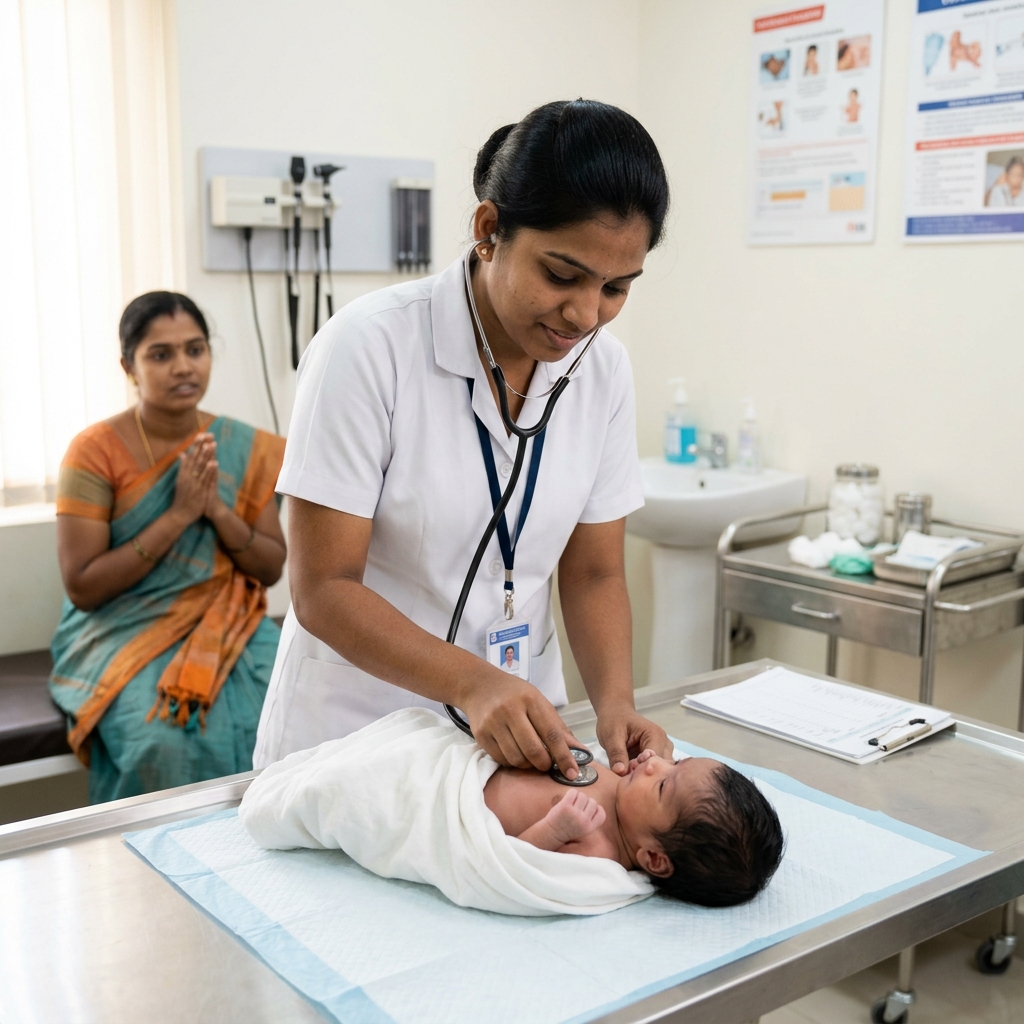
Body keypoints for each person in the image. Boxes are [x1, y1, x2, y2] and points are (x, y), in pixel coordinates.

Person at [254, 98, 675, 783]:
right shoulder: (368, 347)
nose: (585, 314)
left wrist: (616, 704)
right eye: (562, 275)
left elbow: (594, 571)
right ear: (489, 230)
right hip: (359, 733)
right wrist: (471, 682)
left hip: (518, 734)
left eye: (617, 288)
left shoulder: (602, 369)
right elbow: (325, 587)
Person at [51, 292, 286, 802]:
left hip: (229, 621)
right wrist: (178, 514)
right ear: (128, 366)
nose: (183, 366)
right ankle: (149, 872)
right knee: (160, 741)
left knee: (290, 715)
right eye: (161, 354)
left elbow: (271, 567)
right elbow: (84, 586)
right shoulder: (94, 452)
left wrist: (218, 511)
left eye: (195, 349)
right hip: (120, 626)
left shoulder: (244, 445)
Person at [485, 747, 784, 906]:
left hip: (458, 788)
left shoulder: (597, 848)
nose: (655, 763)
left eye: (663, 785)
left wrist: (555, 830)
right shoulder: (624, 793)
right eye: (677, 762)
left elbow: (513, 866)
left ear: (654, 858)